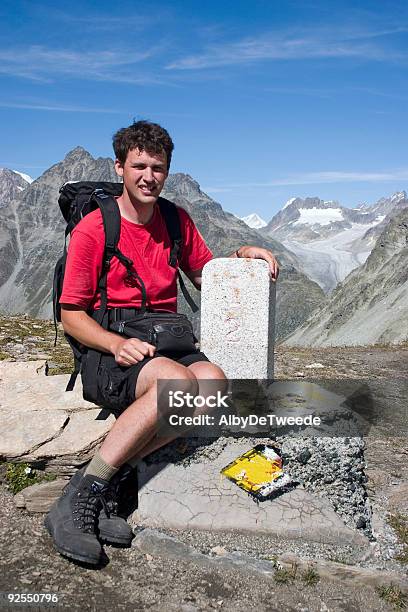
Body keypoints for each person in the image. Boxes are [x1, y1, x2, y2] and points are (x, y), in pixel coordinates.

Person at [44, 120, 279, 565]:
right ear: (119, 167)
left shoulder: (175, 219)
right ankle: (77, 498)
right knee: (177, 384)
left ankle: (114, 480)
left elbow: (205, 275)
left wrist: (242, 257)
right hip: (110, 347)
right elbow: (70, 316)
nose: (148, 176)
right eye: (139, 166)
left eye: (158, 167)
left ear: (168, 170)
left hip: (163, 338)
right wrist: (113, 344)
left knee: (211, 384)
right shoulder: (96, 229)